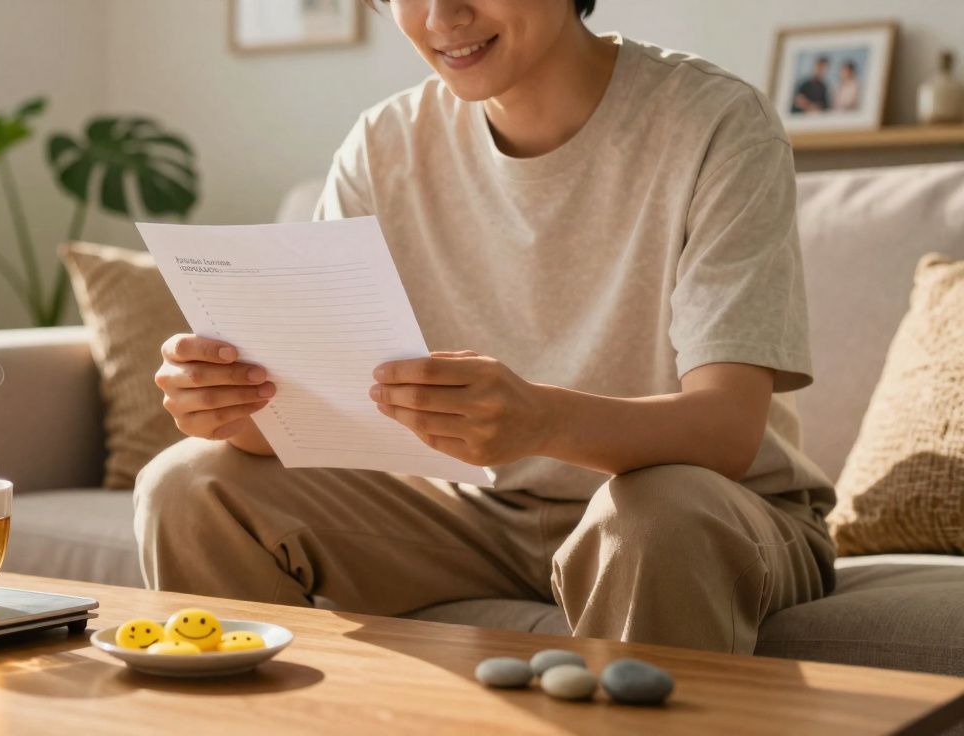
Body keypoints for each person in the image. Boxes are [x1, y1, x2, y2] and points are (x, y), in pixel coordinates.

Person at [136, 0, 836, 655]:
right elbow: (319, 424)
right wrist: (229, 402)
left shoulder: (714, 122)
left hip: (703, 511)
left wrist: (542, 421)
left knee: (655, 515)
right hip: (472, 513)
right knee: (188, 486)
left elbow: (729, 431)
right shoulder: (383, 145)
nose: (442, 17)